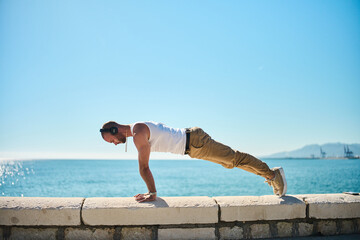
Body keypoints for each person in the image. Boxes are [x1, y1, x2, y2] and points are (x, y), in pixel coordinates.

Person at [100, 121, 287, 202]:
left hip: (195, 142)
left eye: (111, 140)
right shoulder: (137, 129)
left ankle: (273, 174)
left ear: (115, 131)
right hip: (192, 147)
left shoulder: (138, 133)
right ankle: (270, 174)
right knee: (231, 162)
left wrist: (152, 192)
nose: (115, 144)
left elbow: (144, 168)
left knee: (234, 158)